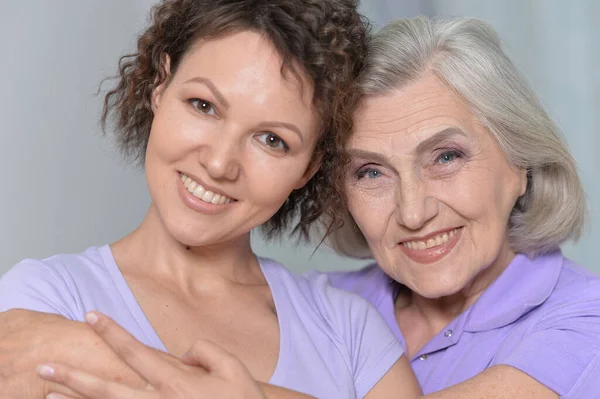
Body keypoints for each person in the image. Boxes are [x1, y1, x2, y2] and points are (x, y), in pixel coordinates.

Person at [0, 1, 422, 399]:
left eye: (272, 140)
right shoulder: (45, 295)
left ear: (309, 167)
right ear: (160, 87)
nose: (220, 163)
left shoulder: (349, 331)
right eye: (203, 106)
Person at [326, 16, 599, 398]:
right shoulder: (316, 305)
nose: (413, 213)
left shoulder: (588, 317)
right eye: (371, 173)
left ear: (519, 163)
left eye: (446, 157)